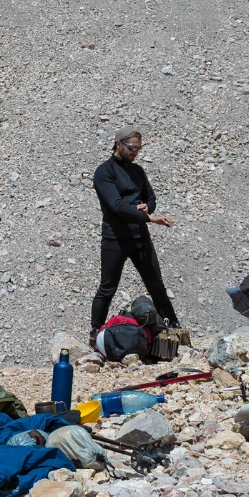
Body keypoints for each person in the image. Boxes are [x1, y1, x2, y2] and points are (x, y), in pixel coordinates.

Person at [90, 127, 181, 340]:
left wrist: (145, 209)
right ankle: (95, 333)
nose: (135, 153)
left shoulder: (137, 171)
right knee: (108, 287)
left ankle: (174, 329)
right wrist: (147, 217)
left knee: (156, 285)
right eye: (132, 148)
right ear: (118, 143)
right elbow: (117, 206)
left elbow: (151, 199)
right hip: (115, 239)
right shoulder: (104, 171)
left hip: (140, 237)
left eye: (138, 149)